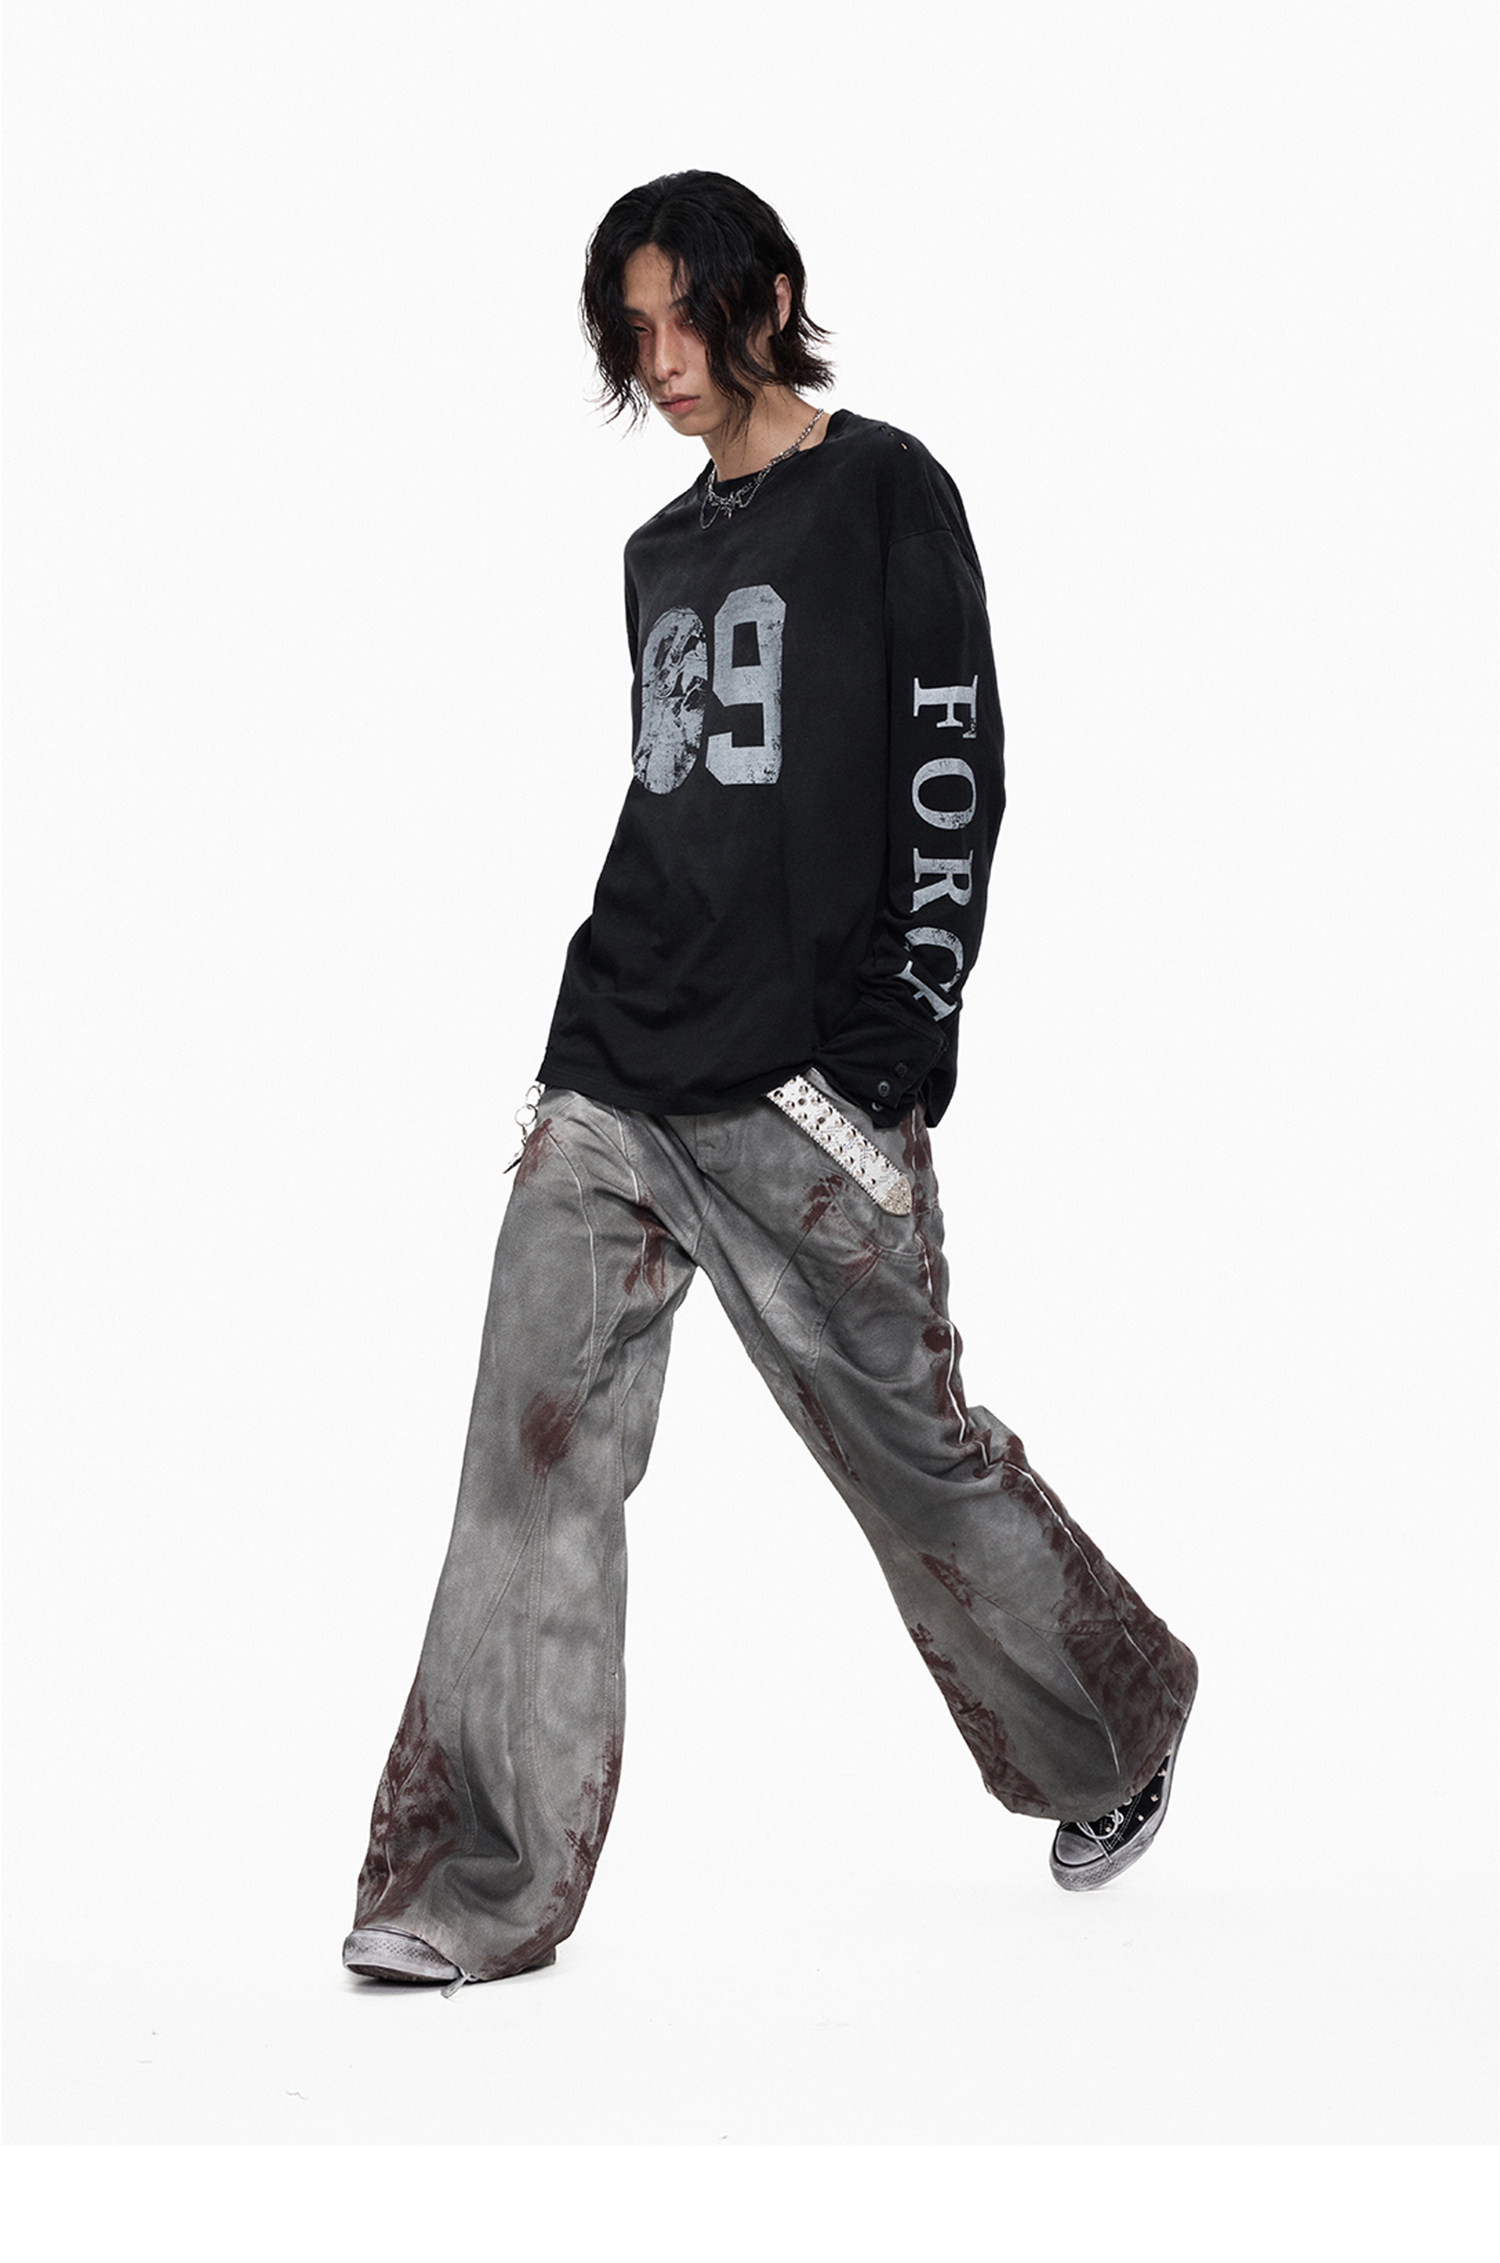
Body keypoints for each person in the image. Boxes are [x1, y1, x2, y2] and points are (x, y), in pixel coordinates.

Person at [342, 170, 1198, 1994]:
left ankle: (1113, 1724)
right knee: (525, 1460)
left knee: (907, 1454)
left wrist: (905, 1027)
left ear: (774, 297)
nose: (661, 361)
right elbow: (672, 806)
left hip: (806, 1090)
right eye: (632, 330)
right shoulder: (657, 552)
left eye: (688, 317)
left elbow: (953, 761)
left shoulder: (886, 488)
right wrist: (565, 1063)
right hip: (618, 1068)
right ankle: (476, 1884)